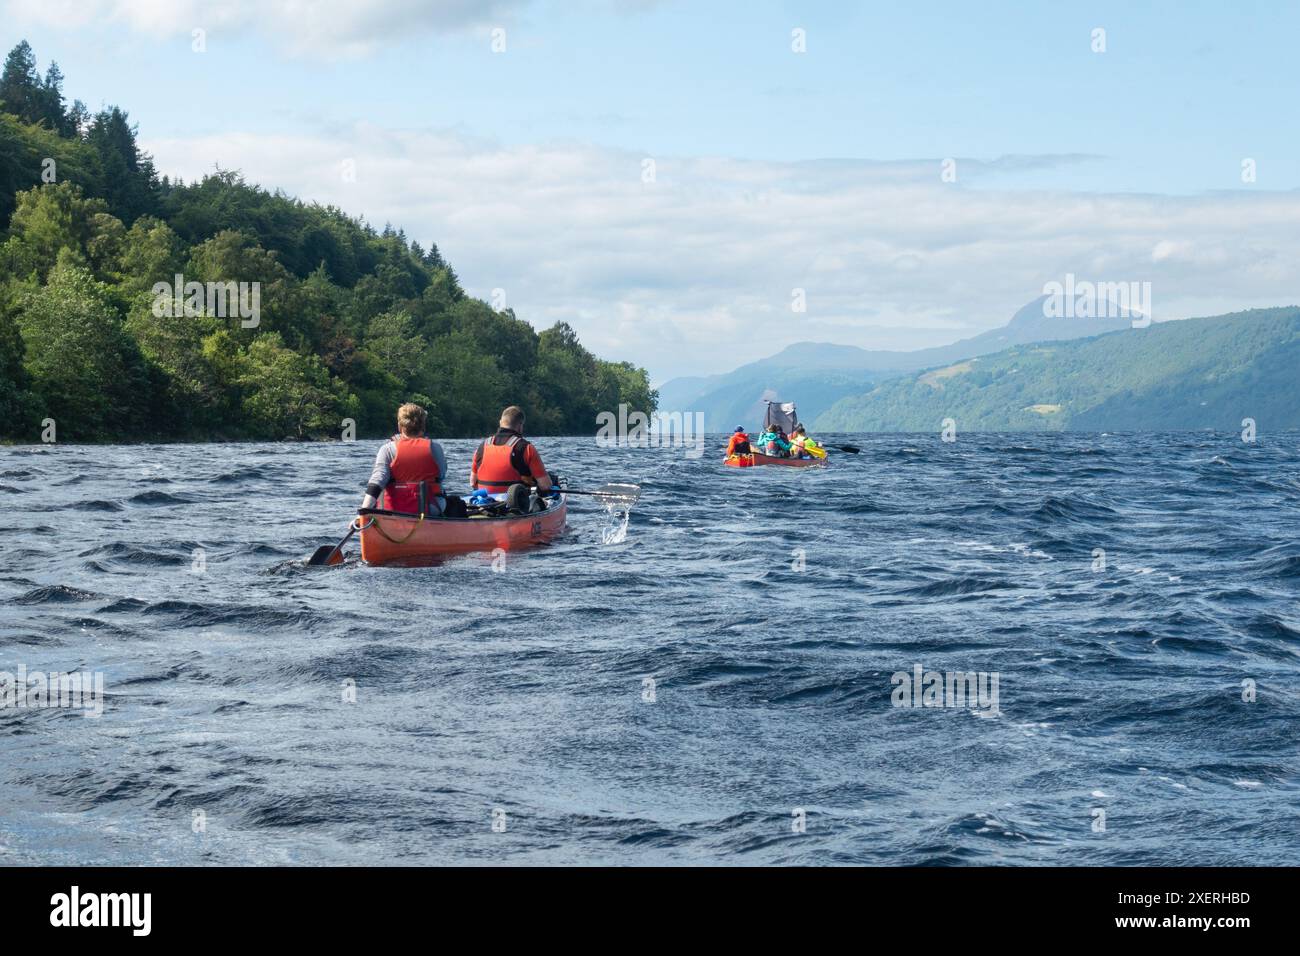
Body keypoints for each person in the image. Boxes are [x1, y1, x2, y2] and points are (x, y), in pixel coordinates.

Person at [360, 403, 466, 517]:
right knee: (456, 504)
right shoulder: (435, 448)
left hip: (393, 508)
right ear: (423, 426)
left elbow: (377, 481)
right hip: (430, 508)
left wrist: (363, 513)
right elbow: (441, 475)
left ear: (400, 426)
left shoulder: (387, 449)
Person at [471, 405, 554, 513]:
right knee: (547, 497)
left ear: (501, 422)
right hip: (515, 506)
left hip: (484, 504)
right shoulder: (526, 448)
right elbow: (545, 485)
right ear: (520, 426)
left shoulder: (482, 447)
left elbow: (472, 482)